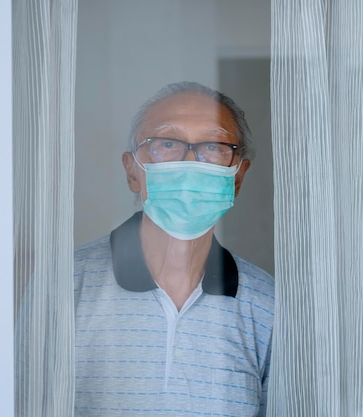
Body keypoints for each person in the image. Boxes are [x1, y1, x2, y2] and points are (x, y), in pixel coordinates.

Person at [73, 81, 274, 416]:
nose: (191, 161)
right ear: (132, 171)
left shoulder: (269, 307)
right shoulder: (67, 287)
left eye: (213, 145)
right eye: (167, 143)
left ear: (237, 177)